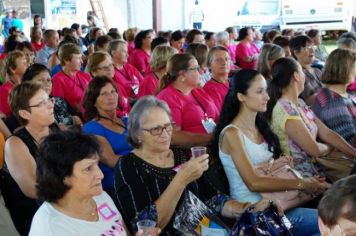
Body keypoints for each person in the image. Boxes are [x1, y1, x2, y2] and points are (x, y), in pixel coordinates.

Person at [115, 96, 272, 234]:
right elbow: (145, 227)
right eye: (156, 129)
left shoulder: (181, 155)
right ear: (137, 134)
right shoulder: (128, 165)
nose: (165, 134)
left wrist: (248, 208)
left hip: (204, 230)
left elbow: (213, 199)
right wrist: (181, 180)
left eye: (168, 126)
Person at [212, 69, 327, 236]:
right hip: (259, 214)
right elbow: (254, 182)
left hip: (280, 204)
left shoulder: (260, 126)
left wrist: (303, 179)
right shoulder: (232, 134)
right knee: (334, 223)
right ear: (241, 97)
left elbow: (270, 172)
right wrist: (302, 184)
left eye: (265, 90)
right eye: (259, 92)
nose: (266, 96)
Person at [29, 130, 159, 236]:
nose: (101, 175)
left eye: (97, 165)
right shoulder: (51, 227)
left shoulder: (99, 197)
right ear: (62, 176)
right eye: (88, 169)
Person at [265, 57, 356, 178]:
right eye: (302, 72)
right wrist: (330, 147)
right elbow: (314, 149)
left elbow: (327, 133)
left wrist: (353, 153)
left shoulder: (300, 103)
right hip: (303, 176)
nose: (304, 75)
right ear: (296, 76)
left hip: (318, 168)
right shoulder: (284, 109)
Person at [1, 82, 56, 235]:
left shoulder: (57, 132)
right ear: (25, 114)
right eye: (42, 103)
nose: (51, 105)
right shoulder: (15, 144)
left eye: (49, 100)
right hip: (34, 215)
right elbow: (33, 189)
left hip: (62, 204)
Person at [82, 76, 132, 199]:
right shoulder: (91, 128)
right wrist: (146, 157)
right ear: (93, 101)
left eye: (113, 92)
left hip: (141, 173)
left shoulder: (127, 121)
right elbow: (111, 160)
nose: (111, 97)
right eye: (103, 94)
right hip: (117, 183)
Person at [156, 53, 219, 147]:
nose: (201, 71)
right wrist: (212, 139)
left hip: (213, 147)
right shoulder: (167, 97)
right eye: (196, 69)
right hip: (192, 154)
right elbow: (173, 137)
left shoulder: (198, 91)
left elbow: (218, 117)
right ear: (182, 75)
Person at [312, 49, 356, 147]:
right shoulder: (333, 103)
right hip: (348, 159)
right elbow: (350, 143)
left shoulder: (335, 93)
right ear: (346, 70)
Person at [22, 63, 82, 128]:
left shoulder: (59, 101)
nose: (46, 84)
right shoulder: (28, 107)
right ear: (28, 83)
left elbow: (77, 119)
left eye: (48, 80)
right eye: (41, 81)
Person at [85, 51, 130, 116]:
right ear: (94, 72)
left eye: (111, 65)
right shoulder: (94, 91)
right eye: (105, 68)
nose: (110, 69)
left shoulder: (116, 85)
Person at [51, 43, 91, 112]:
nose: (81, 61)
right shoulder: (58, 80)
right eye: (78, 58)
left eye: (81, 58)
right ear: (66, 61)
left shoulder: (84, 75)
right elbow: (60, 109)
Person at [290, 35, 323, 105]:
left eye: (313, 47)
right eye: (307, 47)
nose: (312, 50)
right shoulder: (297, 76)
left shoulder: (317, 71)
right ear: (296, 52)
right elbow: (309, 101)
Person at [203, 46, 231, 113]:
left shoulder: (234, 82)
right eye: (218, 60)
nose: (224, 62)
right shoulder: (208, 89)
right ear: (209, 65)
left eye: (227, 59)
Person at [0, 50, 28, 117]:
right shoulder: (4, 90)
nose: (27, 65)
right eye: (24, 63)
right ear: (12, 69)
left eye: (26, 62)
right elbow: (8, 114)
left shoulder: (26, 83)